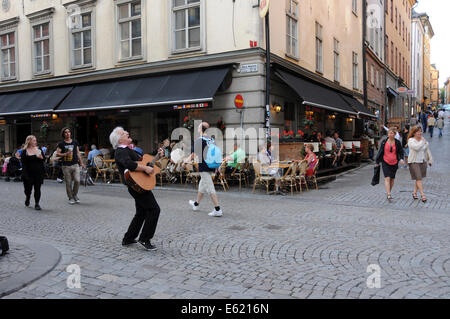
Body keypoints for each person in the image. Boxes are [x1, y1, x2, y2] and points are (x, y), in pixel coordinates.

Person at [111, 127, 162, 251]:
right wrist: (145, 169)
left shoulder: (129, 150)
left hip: (139, 184)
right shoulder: (120, 151)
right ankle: (145, 239)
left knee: (141, 212)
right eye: (124, 133)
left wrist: (157, 157)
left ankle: (128, 238)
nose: (127, 133)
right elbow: (129, 164)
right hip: (136, 185)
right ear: (119, 139)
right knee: (154, 209)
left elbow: (144, 163)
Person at [188, 122, 223, 216]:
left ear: (201, 129)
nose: (197, 129)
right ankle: (196, 204)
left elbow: (193, 154)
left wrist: (184, 162)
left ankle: (217, 209)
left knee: (210, 188)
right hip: (212, 166)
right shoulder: (212, 140)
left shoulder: (199, 140)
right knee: (202, 186)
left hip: (203, 167)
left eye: (198, 127)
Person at [56, 127, 85, 205]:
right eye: (66, 132)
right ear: (63, 134)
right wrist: (65, 154)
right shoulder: (61, 143)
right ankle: (71, 197)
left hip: (75, 164)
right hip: (66, 166)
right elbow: (57, 153)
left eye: (69, 132)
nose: (68, 133)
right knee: (68, 182)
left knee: (77, 180)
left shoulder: (75, 142)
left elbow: (78, 153)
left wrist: (81, 162)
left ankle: (75, 194)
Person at [375, 127, 405, 201]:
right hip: (385, 162)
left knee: (392, 178)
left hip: (394, 162)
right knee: (387, 178)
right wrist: (377, 161)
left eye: (392, 133)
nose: (390, 134)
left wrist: (401, 159)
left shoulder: (397, 142)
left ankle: (389, 191)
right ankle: (388, 194)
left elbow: (400, 152)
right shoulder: (384, 142)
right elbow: (380, 152)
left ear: (394, 134)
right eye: (389, 133)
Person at [407, 126, 433, 203]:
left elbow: (427, 150)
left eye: (420, 131)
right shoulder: (411, 140)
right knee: (419, 178)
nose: (420, 133)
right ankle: (422, 195)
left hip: (422, 161)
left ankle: (414, 193)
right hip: (414, 162)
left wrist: (430, 160)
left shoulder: (423, 140)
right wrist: (422, 141)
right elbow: (416, 148)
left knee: (419, 178)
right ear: (414, 133)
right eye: (418, 131)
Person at [21, 136, 45, 211]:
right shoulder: (25, 151)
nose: (36, 142)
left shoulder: (38, 149)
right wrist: (25, 174)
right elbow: (24, 164)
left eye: (36, 140)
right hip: (28, 173)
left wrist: (41, 158)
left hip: (38, 173)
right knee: (28, 190)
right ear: (29, 141)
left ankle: (37, 203)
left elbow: (43, 159)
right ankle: (28, 197)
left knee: (37, 189)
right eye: (34, 140)